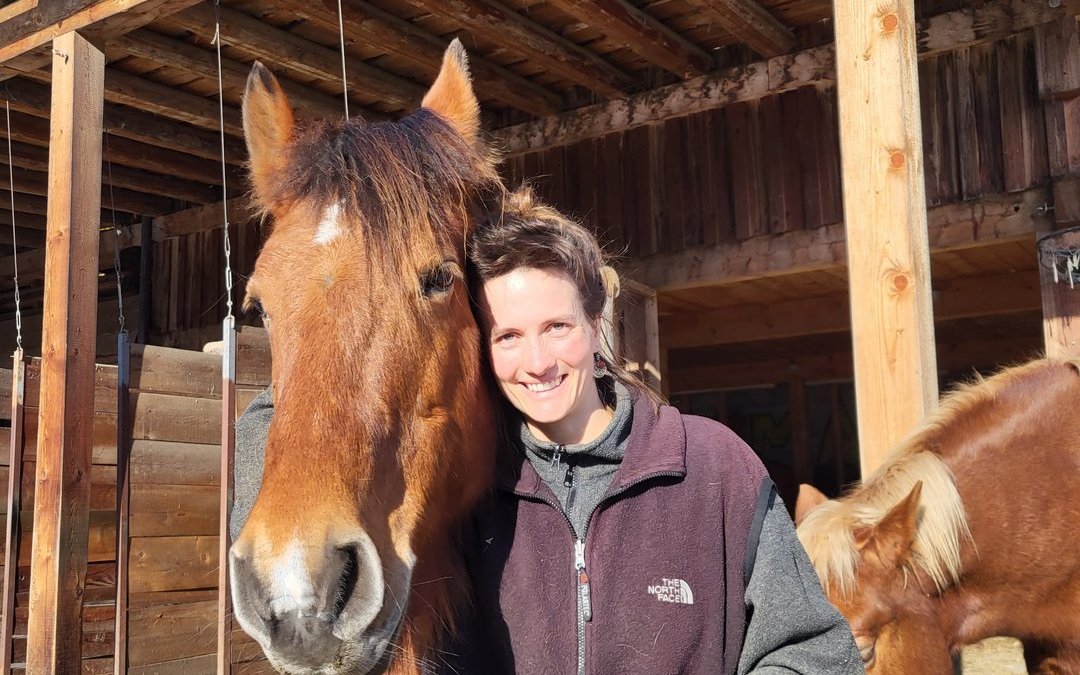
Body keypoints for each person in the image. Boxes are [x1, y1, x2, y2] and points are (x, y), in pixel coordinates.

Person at [232, 186, 862, 674]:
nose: (536, 362)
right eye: (508, 336)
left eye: (557, 328)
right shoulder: (470, 496)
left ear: (596, 324)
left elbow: (814, 652)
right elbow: (303, 428)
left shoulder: (715, 469)